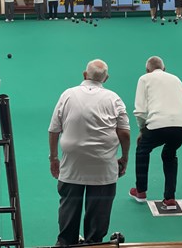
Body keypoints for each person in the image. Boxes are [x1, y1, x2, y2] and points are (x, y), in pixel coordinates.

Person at [48, 59, 130, 246]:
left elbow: (54, 130)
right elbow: (124, 132)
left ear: (85, 74)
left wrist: (53, 158)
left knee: (68, 211)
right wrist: (124, 157)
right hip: (103, 167)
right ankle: (93, 243)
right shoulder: (114, 98)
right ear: (106, 78)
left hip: (72, 165)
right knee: (98, 218)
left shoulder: (67, 94)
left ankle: (66, 242)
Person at [129, 56, 182, 210]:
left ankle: (141, 191)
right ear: (164, 68)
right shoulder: (176, 79)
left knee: (142, 150)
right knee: (169, 155)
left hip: (157, 124)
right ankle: (170, 198)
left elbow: (140, 111)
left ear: (147, 70)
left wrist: (142, 131)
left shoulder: (144, 79)